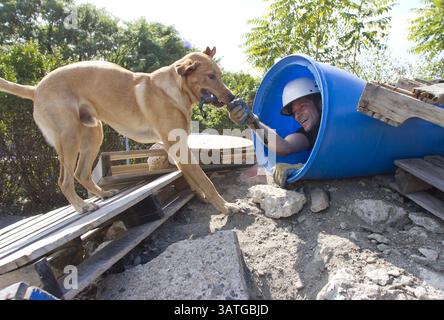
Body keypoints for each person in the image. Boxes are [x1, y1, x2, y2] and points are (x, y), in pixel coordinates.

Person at [229, 77, 322, 187]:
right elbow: (284, 147)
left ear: (320, 103)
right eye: (294, 112)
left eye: (302, 106)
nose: (297, 115)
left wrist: (302, 168)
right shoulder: (309, 132)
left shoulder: (342, 120)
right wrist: (251, 121)